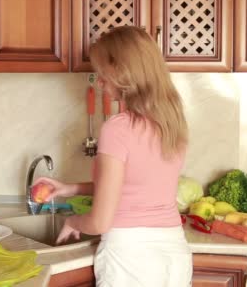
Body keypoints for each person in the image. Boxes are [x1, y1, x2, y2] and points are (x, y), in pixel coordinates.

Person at [34, 26, 192, 287]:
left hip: (130, 258)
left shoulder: (117, 129)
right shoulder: (173, 123)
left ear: (122, 72)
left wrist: (73, 220)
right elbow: (134, 187)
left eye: (102, 74)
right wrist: (70, 188)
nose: (100, 81)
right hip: (173, 254)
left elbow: (99, 221)